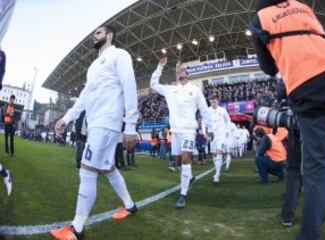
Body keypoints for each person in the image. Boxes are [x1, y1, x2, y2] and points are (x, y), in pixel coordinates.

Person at [250, 0, 325, 239]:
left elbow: (268, 68)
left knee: (316, 172)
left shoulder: (260, 18)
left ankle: (309, 234)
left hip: (307, 89)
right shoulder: (302, 5)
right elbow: (315, 36)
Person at [50, 24, 139, 240]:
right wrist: (67, 117)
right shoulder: (93, 66)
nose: (94, 36)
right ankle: (129, 205)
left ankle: (76, 229)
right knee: (108, 168)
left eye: (98, 33)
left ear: (110, 35)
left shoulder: (120, 55)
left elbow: (129, 87)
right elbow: (84, 97)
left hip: (107, 121)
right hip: (96, 123)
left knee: (87, 170)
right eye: (94, 33)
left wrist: (131, 126)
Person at [150, 57, 213, 209]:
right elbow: (153, 84)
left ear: (188, 74)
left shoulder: (196, 90)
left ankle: (182, 195)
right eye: (178, 70)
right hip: (175, 131)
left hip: (188, 131)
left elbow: (204, 111)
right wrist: (159, 67)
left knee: (186, 160)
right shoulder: (171, 89)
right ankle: (189, 178)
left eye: (182, 70)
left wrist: (209, 128)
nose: (180, 72)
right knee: (178, 161)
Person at [208, 94, 231, 183]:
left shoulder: (223, 110)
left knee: (219, 152)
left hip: (221, 135)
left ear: (217, 101)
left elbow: (228, 120)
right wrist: (204, 132)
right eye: (211, 102)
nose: (213, 103)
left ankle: (217, 175)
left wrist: (227, 131)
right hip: (212, 135)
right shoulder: (207, 111)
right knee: (214, 154)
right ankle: (217, 171)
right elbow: (203, 121)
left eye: (214, 101)